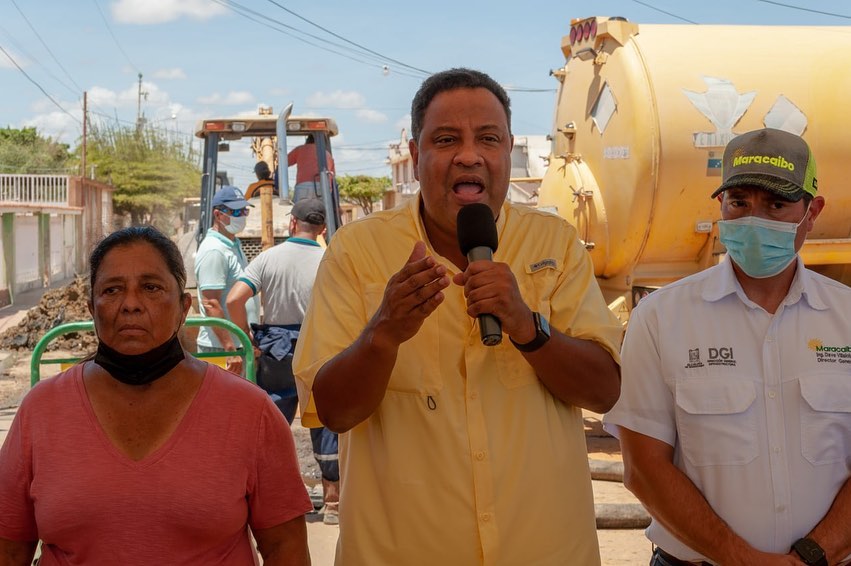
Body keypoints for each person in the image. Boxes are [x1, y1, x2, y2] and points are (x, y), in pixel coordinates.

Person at [292, 68, 623, 565]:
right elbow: (333, 412)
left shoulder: (554, 244)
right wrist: (384, 334)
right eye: (446, 139)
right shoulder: (358, 251)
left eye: (488, 138)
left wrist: (528, 328)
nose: (469, 155)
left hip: (545, 550)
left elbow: (604, 390)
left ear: (508, 149)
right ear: (415, 152)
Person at [604, 128, 851, 565]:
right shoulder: (661, 317)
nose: (754, 219)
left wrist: (811, 555)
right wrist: (741, 559)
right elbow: (644, 467)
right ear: (720, 205)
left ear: (812, 212)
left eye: (776, 204)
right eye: (739, 202)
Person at [0, 226, 312, 565]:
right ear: (92, 308)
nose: (131, 304)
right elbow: (10, 549)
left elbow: (286, 549)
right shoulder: (42, 410)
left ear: (183, 307)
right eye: (113, 289)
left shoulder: (250, 412)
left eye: (151, 288)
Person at [228, 198, 341, 526]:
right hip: (318, 348)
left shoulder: (268, 259)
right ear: (321, 230)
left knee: (274, 425)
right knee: (323, 420)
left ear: (292, 224)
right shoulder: (329, 258)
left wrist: (245, 339)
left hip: (275, 351)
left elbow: (235, 298)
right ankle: (332, 502)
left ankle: (280, 502)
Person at [195, 185, 258, 372]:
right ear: (218, 215)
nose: (242, 216)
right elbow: (210, 302)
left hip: (239, 344)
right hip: (221, 348)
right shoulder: (215, 250)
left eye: (244, 210)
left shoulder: (232, 245)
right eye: (235, 211)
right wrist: (229, 348)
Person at [288, 134, 335, 203]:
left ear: (307, 140)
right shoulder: (327, 155)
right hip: (322, 187)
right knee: (320, 211)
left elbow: (285, 162)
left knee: (299, 211)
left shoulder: (300, 149)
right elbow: (332, 176)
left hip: (303, 186)